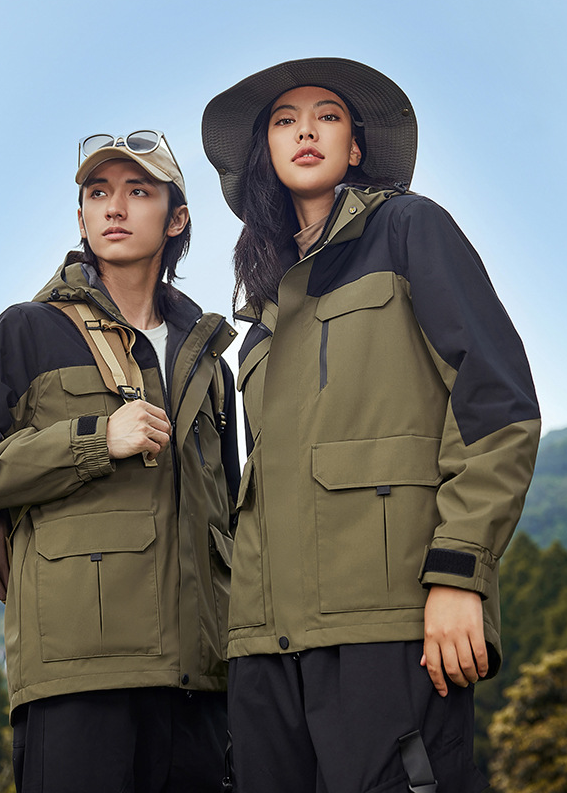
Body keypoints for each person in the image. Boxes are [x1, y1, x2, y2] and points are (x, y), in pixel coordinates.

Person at [202, 58, 540, 792]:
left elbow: (496, 404)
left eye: (326, 117)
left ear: (355, 146)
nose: (306, 132)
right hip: (264, 648)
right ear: (266, 152)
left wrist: (458, 576)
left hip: (391, 623)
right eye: (285, 122)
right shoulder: (260, 320)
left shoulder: (411, 229)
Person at [0, 130, 239, 792]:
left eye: (138, 192)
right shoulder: (30, 329)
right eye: (98, 194)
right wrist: (95, 439)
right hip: (77, 676)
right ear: (81, 218)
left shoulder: (209, 361)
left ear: (177, 218)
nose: (114, 208)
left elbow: (233, 517)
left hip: (202, 686)